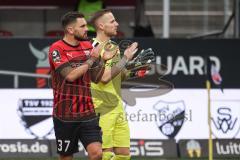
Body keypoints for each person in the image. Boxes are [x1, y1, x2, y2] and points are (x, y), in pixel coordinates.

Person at [48, 11, 115, 160]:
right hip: (64, 114)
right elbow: (70, 76)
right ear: (71, 30)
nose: (87, 29)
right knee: (66, 157)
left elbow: (96, 78)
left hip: (87, 113)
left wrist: (103, 61)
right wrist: (91, 59)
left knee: (97, 153)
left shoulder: (88, 46)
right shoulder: (57, 49)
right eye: (83, 26)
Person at [89, 9, 154, 160]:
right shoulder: (93, 47)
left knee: (124, 155)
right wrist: (125, 58)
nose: (117, 24)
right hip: (101, 108)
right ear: (101, 26)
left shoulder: (113, 46)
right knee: (104, 154)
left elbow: (116, 76)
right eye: (112, 21)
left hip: (117, 106)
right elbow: (103, 78)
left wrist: (134, 70)